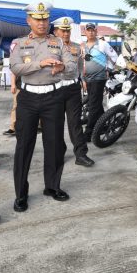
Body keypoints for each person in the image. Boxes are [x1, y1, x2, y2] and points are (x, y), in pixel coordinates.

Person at [10, 2, 76, 213]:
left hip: (54, 97)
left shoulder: (58, 42)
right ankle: (21, 194)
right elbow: (15, 67)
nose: (42, 23)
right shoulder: (19, 43)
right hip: (28, 98)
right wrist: (39, 64)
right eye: (37, 19)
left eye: (45, 19)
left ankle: (53, 186)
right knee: (24, 146)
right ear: (29, 20)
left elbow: (73, 66)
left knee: (55, 144)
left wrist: (63, 66)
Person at [53, 17, 94, 167]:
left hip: (72, 89)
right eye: (62, 30)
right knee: (55, 124)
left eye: (68, 30)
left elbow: (80, 66)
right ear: (55, 31)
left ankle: (81, 154)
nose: (66, 33)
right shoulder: (50, 47)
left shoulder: (77, 47)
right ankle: (57, 154)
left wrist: (82, 80)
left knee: (75, 123)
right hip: (55, 89)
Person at [82, 22, 118, 140]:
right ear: (85, 32)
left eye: (93, 30)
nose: (91, 32)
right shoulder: (83, 46)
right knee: (96, 105)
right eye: (88, 30)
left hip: (99, 78)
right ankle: (105, 125)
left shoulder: (103, 44)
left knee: (93, 105)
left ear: (96, 32)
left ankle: (89, 132)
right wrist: (83, 79)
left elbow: (114, 57)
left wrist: (109, 68)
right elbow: (81, 64)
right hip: (88, 78)